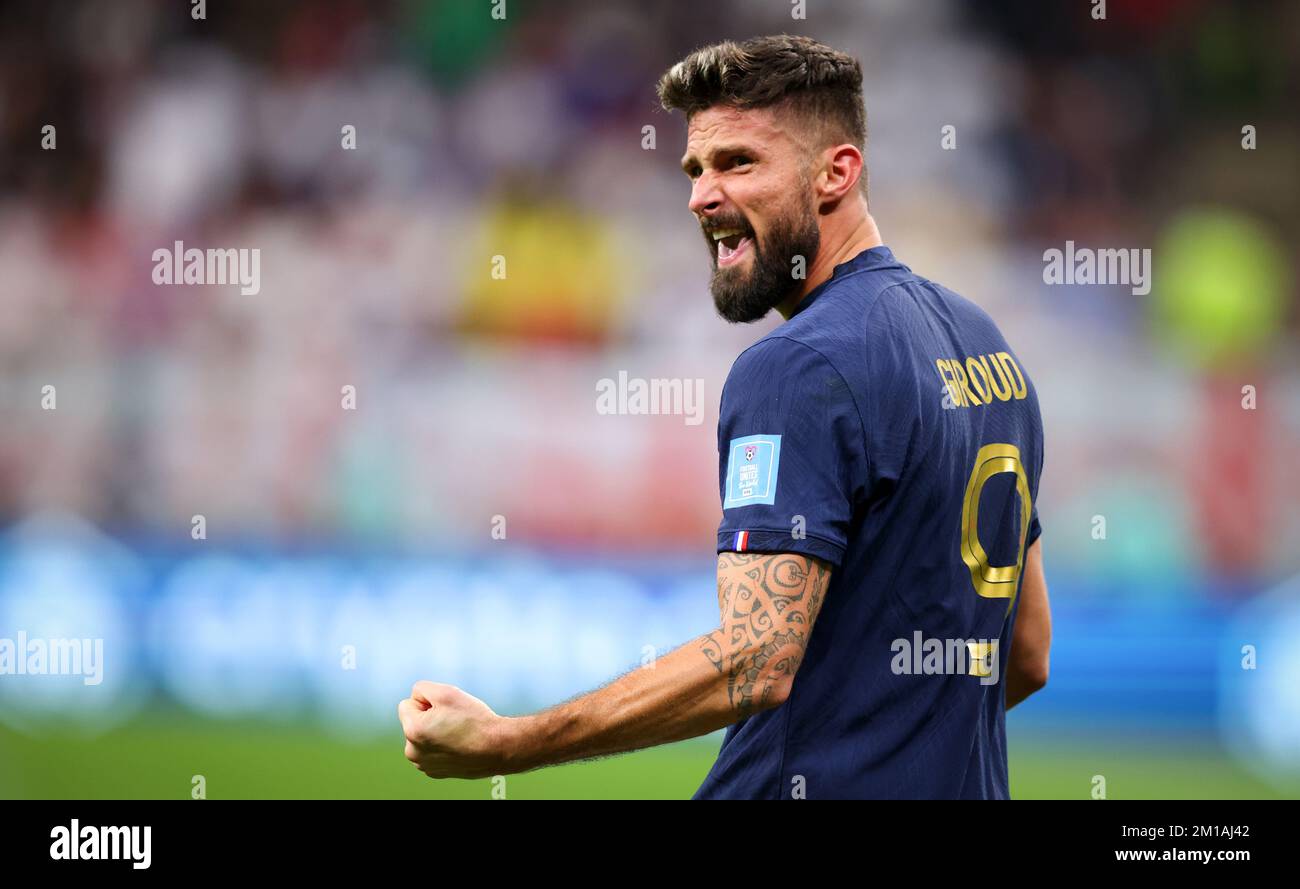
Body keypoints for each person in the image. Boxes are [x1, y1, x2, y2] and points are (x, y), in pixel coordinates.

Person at [398, 34, 1051, 799]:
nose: (701, 196)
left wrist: (507, 742)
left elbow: (757, 657)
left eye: (738, 162)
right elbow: (1028, 652)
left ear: (836, 172)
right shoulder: (986, 347)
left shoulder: (800, 366)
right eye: (695, 169)